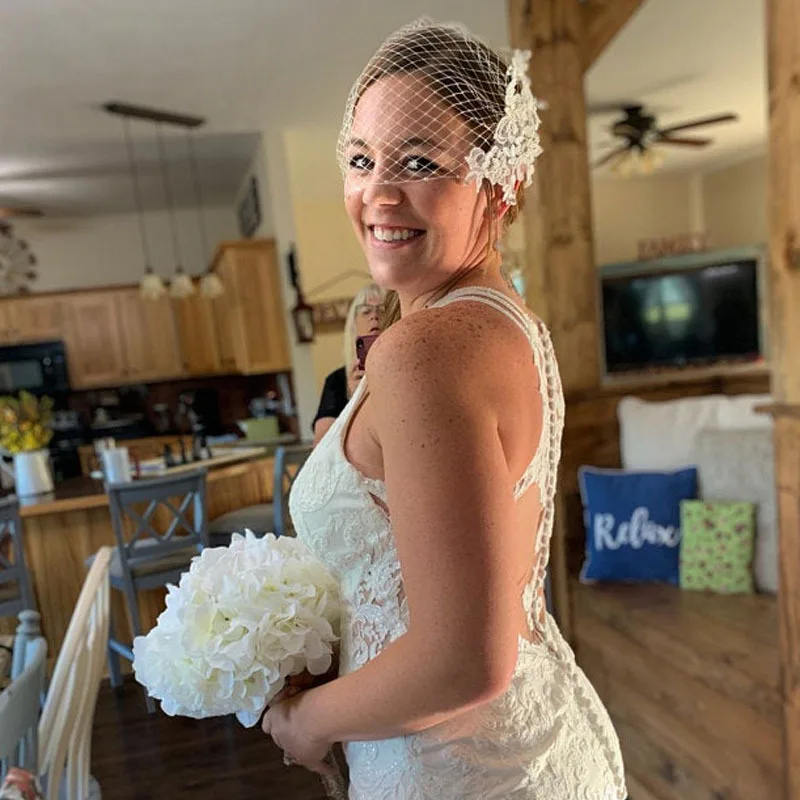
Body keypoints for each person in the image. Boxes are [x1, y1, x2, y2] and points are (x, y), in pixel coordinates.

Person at [263, 18, 626, 799]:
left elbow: (464, 657)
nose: (377, 193)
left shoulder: (427, 349)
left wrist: (308, 721)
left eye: (421, 161)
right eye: (362, 160)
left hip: (455, 771)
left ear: (503, 184)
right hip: (521, 744)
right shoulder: (501, 323)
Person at [312, 284, 385, 446]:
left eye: (383, 310)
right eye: (366, 311)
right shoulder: (337, 381)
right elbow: (321, 446)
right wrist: (354, 401)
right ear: (354, 327)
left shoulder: (407, 372)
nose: (374, 316)